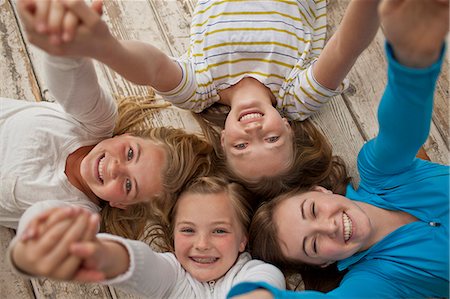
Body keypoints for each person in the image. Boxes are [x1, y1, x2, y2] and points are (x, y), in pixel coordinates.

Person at [18, 0, 381, 197]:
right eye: (271, 139)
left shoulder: (199, 91)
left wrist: (105, 48)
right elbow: (345, 48)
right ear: (287, 126)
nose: (253, 131)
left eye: (241, 146)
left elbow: (153, 68)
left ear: (224, 140)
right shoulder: (297, 95)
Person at [227, 0, 450, 298]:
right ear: (323, 263)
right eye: (314, 244)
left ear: (321, 191)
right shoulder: (375, 280)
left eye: (314, 210)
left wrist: (412, 62)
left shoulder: (379, 171)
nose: (328, 227)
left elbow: (402, 131)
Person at [1, 2, 217, 241]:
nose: (115, 168)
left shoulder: (80, 217)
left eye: (128, 185)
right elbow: (71, 80)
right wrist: (68, 47)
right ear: (126, 136)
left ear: (121, 204)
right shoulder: (94, 122)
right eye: (131, 154)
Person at [9, 177, 286, 298]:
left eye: (220, 230)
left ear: (243, 240)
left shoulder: (258, 272)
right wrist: (93, 251)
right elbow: (139, 266)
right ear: (173, 235)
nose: (202, 244)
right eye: (188, 230)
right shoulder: (172, 275)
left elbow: (262, 287)